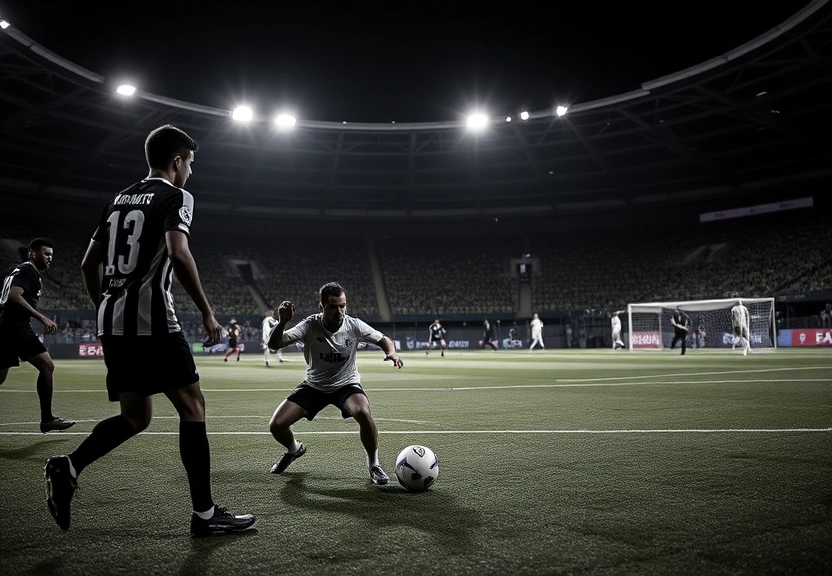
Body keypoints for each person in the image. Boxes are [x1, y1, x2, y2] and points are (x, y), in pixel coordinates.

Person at [43, 124, 255, 537]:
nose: (191, 172)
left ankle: (69, 465)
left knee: (136, 415)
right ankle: (205, 515)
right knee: (193, 408)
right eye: (190, 164)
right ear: (176, 161)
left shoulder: (117, 200)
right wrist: (208, 313)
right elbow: (178, 252)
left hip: (113, 323)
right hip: (153, 321)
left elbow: (88, 264)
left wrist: (105, 308)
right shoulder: (176, 196)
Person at [266, 282, 403, 485]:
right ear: (322, 307)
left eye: (342, 306)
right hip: (314, 386)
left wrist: (391, 352)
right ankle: (294, 449)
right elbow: (274, 344)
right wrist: (282, 322)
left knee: (363, 413)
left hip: (345, 384)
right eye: (333, 306)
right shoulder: (310, 325)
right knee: (276, 426)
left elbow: (383, 339)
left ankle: (374, 465)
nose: (339, 311)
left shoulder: (353, 325)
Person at [0, 238, 75, 433]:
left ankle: (47, 419)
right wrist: (43, 318)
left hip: (5, 325)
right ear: (32, 253)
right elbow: (14, 296)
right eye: (46, 253)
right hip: (15, 326)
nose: (50, 258)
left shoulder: (19, 270)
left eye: (51, 255)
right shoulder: (28, 270)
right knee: (47, 365)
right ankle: (47, 419)